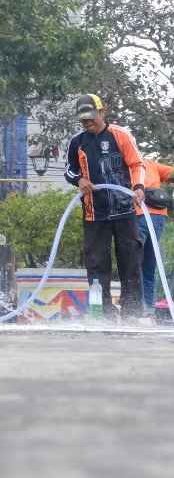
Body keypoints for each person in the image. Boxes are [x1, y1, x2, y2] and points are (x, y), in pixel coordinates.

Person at [64, 94, 147, 321]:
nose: (87, 123)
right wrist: (79, 179)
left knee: (130, 261)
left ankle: (132, 313)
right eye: (83, 120)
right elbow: (68, 171)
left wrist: (139, 187)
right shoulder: (77, 142)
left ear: (102, 112)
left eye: (91, 117)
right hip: (94, 214)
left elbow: (137, 164)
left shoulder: (121, 135)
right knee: (96, 264)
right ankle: (102, 313)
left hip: (125, 211)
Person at [138, 155, 172, 311]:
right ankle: (148, 310)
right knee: (149, 265)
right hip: (157, 217)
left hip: (138, 215)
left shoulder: (125, 164)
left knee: (133, 264)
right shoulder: (151, 164)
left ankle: (136, 309)